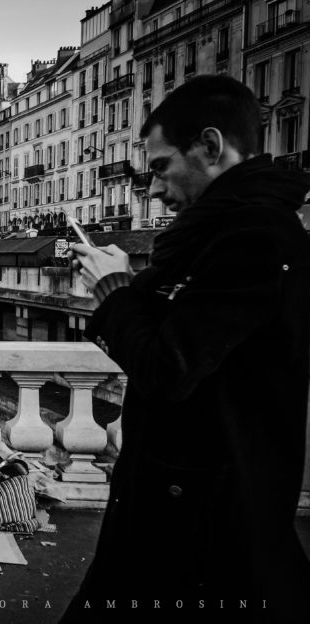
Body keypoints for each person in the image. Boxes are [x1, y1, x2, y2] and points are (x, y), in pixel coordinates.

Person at [63, 75, 310, 622]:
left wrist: (114, 292)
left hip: (203, 515)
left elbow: (169, 367)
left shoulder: (255, 237)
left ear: (211, 147)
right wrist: (128, 286)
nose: (153, 189)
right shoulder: (222, 234)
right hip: (185, 501)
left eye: (159, 166)